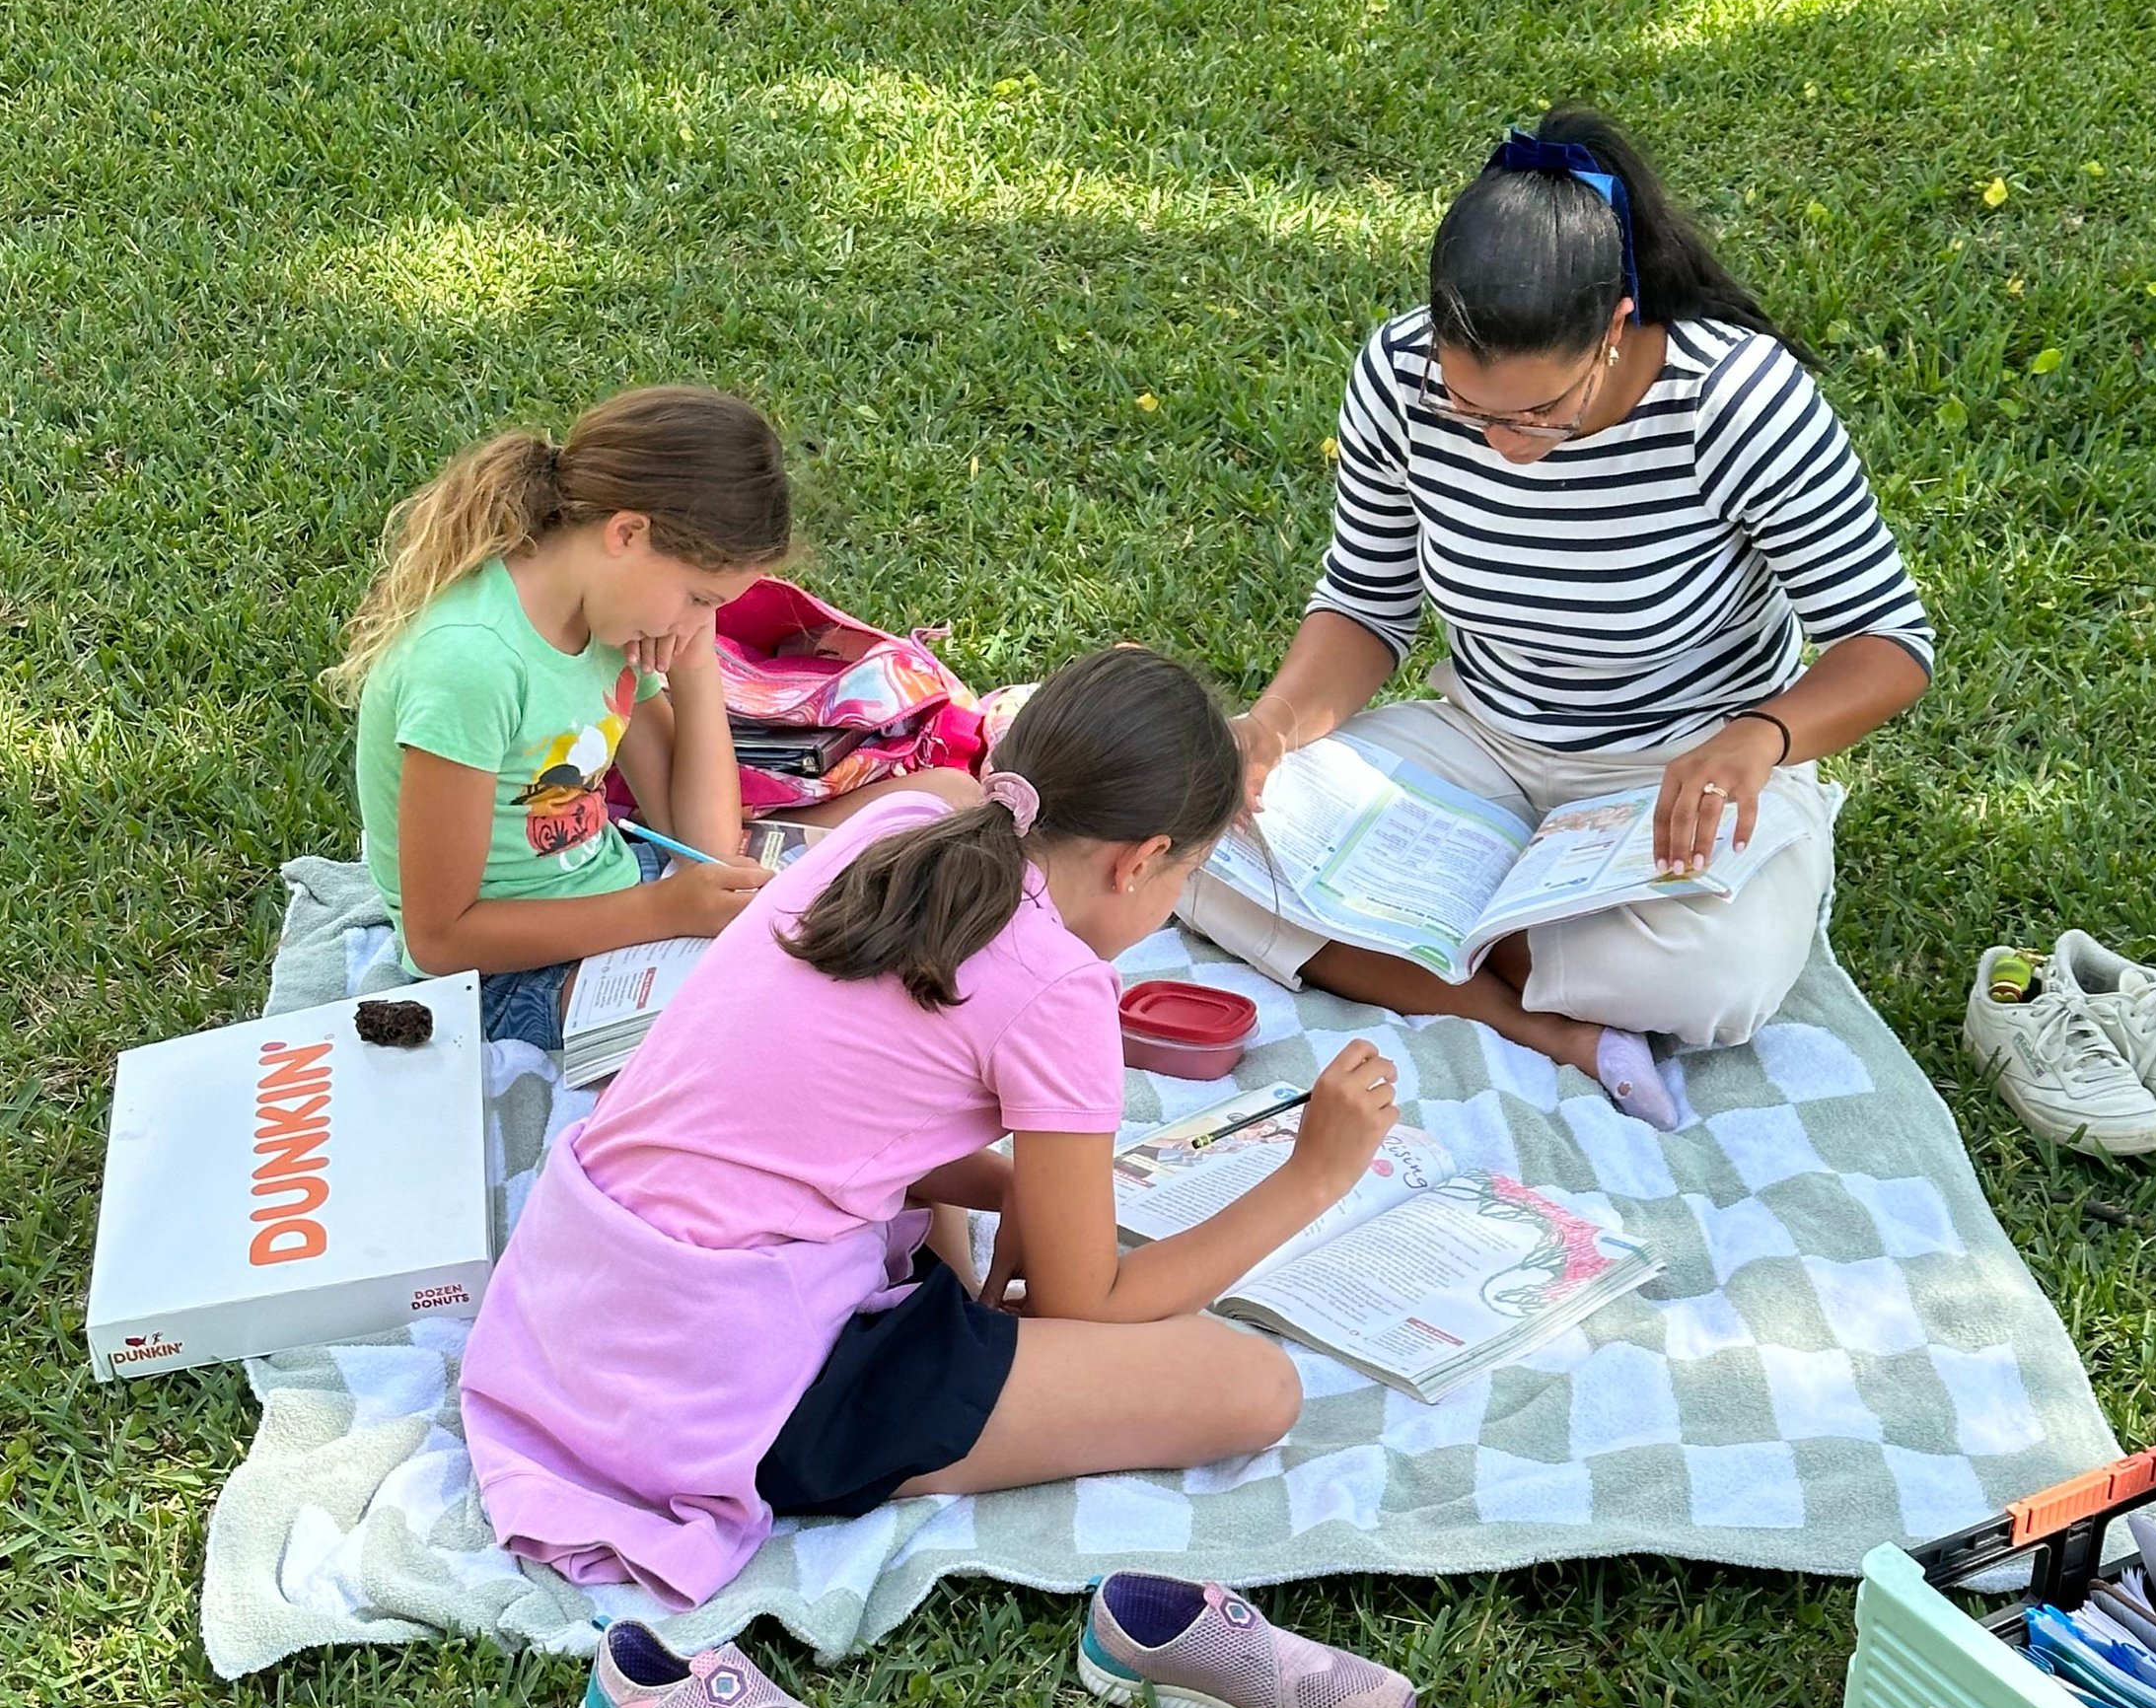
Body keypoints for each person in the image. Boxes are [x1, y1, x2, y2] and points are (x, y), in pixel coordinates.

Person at [459, 644, 1402, 1620]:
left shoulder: (906, 823)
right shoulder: (1059, 989)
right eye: (1187, 877)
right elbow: (1091, 1301)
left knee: (942, 1228)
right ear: (1139, 861)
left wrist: (1002, 1186)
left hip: (578, 1300)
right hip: (716, 1388)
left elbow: (819, 1095)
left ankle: (945, 1362)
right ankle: (912, 1410)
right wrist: (1311, 1177)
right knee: (1252, 1386)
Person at [1185, 107, 1935, 1117]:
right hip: (1480, 743)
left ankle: (1426, 936)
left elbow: (1888, 643)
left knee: (1715, 978)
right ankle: (1537, 1022)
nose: (1502, 444)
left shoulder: (1736, 400)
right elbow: (1366, 604)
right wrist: (1269, 730)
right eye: (1472, 410)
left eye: (1541, 413)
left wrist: (1760, 739)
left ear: (1615, 326)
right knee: (1191, 838)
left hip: (1682, 772)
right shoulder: (1398, 374)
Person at [330, 385, 786, 1049]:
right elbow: (438, 939)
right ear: (627, 532)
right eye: (696, 598)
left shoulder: (605, 618)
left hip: (610, 910)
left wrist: (695, 662)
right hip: (503, 977)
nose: (691, 625)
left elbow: (703, 840)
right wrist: (661, 911)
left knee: (926, 809)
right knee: (756, 1038)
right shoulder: (472, 665)